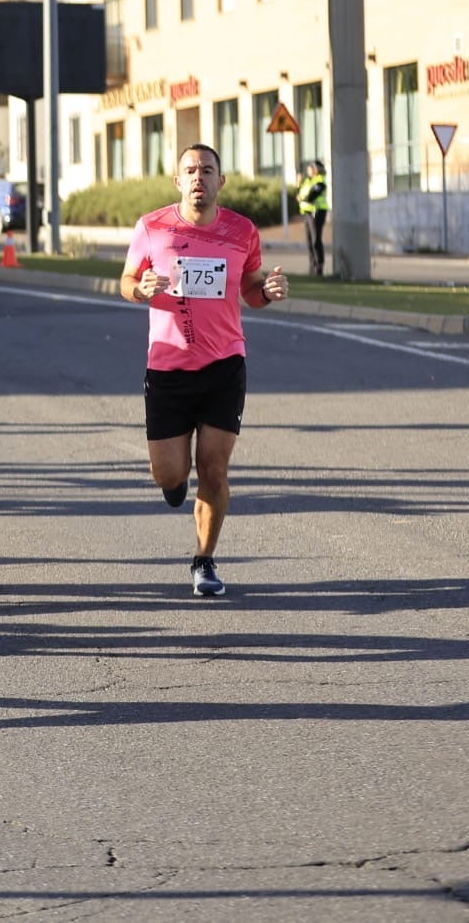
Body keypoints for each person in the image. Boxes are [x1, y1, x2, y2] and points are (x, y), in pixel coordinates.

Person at [119, 144, 288, 599]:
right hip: (168, 366)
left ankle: (204, 559)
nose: (199, 177)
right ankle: (174, 484)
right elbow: (126, 281)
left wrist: (268, 291)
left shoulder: (241, 230)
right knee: (168, 472)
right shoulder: (152, 227)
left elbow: (250, 287)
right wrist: (141, 289)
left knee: (214, 468)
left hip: (224, 364)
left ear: (220, 181)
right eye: (191, 170)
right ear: (178, 181)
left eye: (207, 170)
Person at [297, 160, 329, 276]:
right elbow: (300, 195)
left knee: (316, 239)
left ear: (316, 169)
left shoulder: (320, 180)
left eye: (311, 167)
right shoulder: (308, 181)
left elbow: (311, 196)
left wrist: (302, 199)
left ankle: (319, 266)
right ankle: (312, 265)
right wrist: (298, 184)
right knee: (309, 240)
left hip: (317, 211)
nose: (308, 169)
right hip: (307, 213)